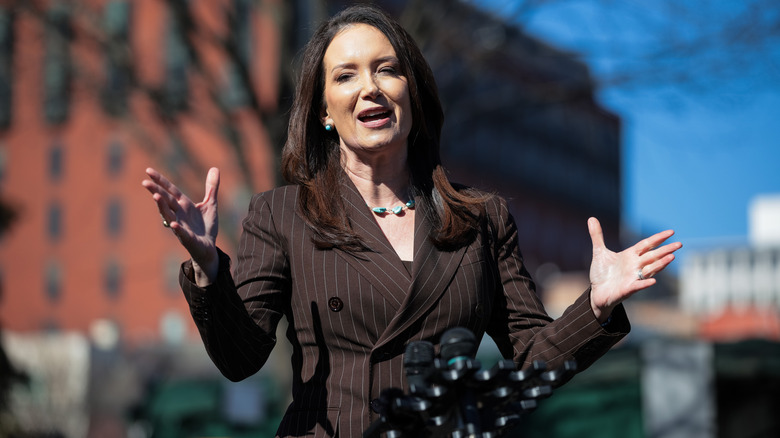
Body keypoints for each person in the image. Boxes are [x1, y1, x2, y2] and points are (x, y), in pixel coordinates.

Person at [142, 4, 681, 437]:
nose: (370, 87)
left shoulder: (481, 218)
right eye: (346, 75)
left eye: (386, 69)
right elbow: (240, 359)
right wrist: (211, 268)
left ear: (412, 94)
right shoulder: (282, 214)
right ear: (325, 111)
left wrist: (596, 307)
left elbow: (531, 361)